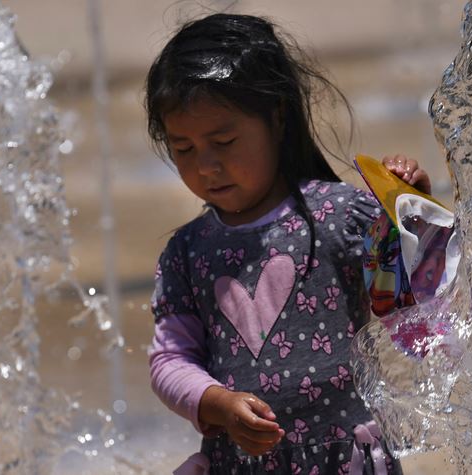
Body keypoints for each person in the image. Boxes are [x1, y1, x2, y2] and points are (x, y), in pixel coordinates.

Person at [144, 13, 431, 474]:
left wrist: (408, 215)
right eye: (184, 149)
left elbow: (405, 306)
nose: (207, 166)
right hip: (243, 463)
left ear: (277, 117)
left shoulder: (338, 216)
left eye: (224, 141)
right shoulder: (187, 253)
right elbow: (169, 359)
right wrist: (217, 402)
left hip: (345, 459)